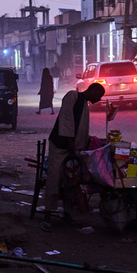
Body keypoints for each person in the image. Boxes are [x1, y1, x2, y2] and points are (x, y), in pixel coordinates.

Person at [42, 83, 105, 231]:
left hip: (73, 149)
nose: (99, 99)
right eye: (99, 95)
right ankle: (48, 213)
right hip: (60, 146)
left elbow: (81, 129)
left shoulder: (84, 105)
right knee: (54, 178)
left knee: (71, 181)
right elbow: (66, 120)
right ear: (93, 90)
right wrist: (70, 142)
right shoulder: (72, 96)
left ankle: (68, 213)